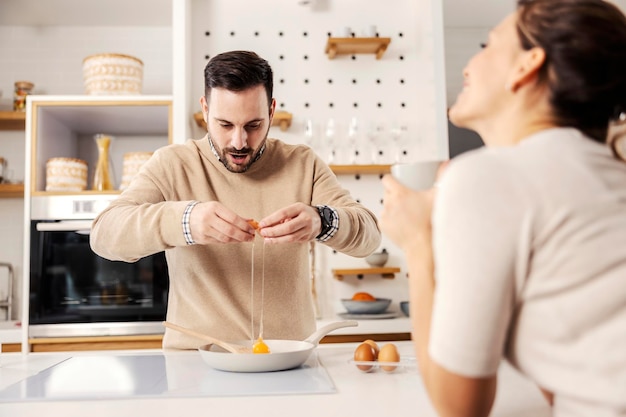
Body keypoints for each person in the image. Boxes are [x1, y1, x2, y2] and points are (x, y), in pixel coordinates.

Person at [379, 1, 626, 416]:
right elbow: (577, 364)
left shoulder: (486, 176)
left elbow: (460, 406)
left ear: (527, 65)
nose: (469, 65)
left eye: (487, 44)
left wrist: (419, 243)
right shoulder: (610, 174)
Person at [90, 50, 381, 350]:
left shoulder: (303, 164)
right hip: (194, 364)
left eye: (253, 125)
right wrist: (185, 221)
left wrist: (323, 221)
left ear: (271, 111)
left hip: (288, 361)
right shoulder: (172, 164)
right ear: (204, 110)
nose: (239, 142)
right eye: (225, 125)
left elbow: (369, 237)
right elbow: (104, 234)